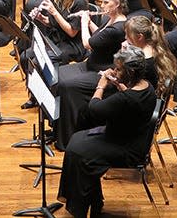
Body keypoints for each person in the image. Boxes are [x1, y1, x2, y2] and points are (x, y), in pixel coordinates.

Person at [57, 47, 156, 218]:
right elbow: (131, 103)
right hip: (131, 135)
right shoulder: (147, 87)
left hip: (127, 147)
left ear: (130, 72)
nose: (114, 71)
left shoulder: (125, 99)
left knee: (76, 150)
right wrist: (120, 85)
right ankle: (94, 202)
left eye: (118, 69)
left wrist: (101, 86)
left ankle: (80, 208)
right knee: (77, 139)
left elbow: (93, 109)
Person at [54, 0, 129, 149]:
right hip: (91, 64)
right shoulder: (111, 19)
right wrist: (90, 24)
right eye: (101, 1)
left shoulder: (118, 27)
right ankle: (58, 127)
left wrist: (84, 22)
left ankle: (69, 136)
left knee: (67, 85)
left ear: (116, 5)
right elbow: (100, 36)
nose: (102, 5)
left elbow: (88, 44)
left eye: (106, 2)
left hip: (102, 71)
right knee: (57, 73)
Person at [18, 0, 90, 107]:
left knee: (41, 62)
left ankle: (50, 97)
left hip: (72, 44)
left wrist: (54, 12)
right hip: (56, 40)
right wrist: (41, 18)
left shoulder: (79, 0)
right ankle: (36, 94)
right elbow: (52, 23)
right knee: (26, 56)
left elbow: (71, 31)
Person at [123, 15, 177, 91]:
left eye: (128, 35)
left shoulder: (141, 62)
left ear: (139, 37)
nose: (125, 37)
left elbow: (130, 90)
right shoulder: (156, 48)